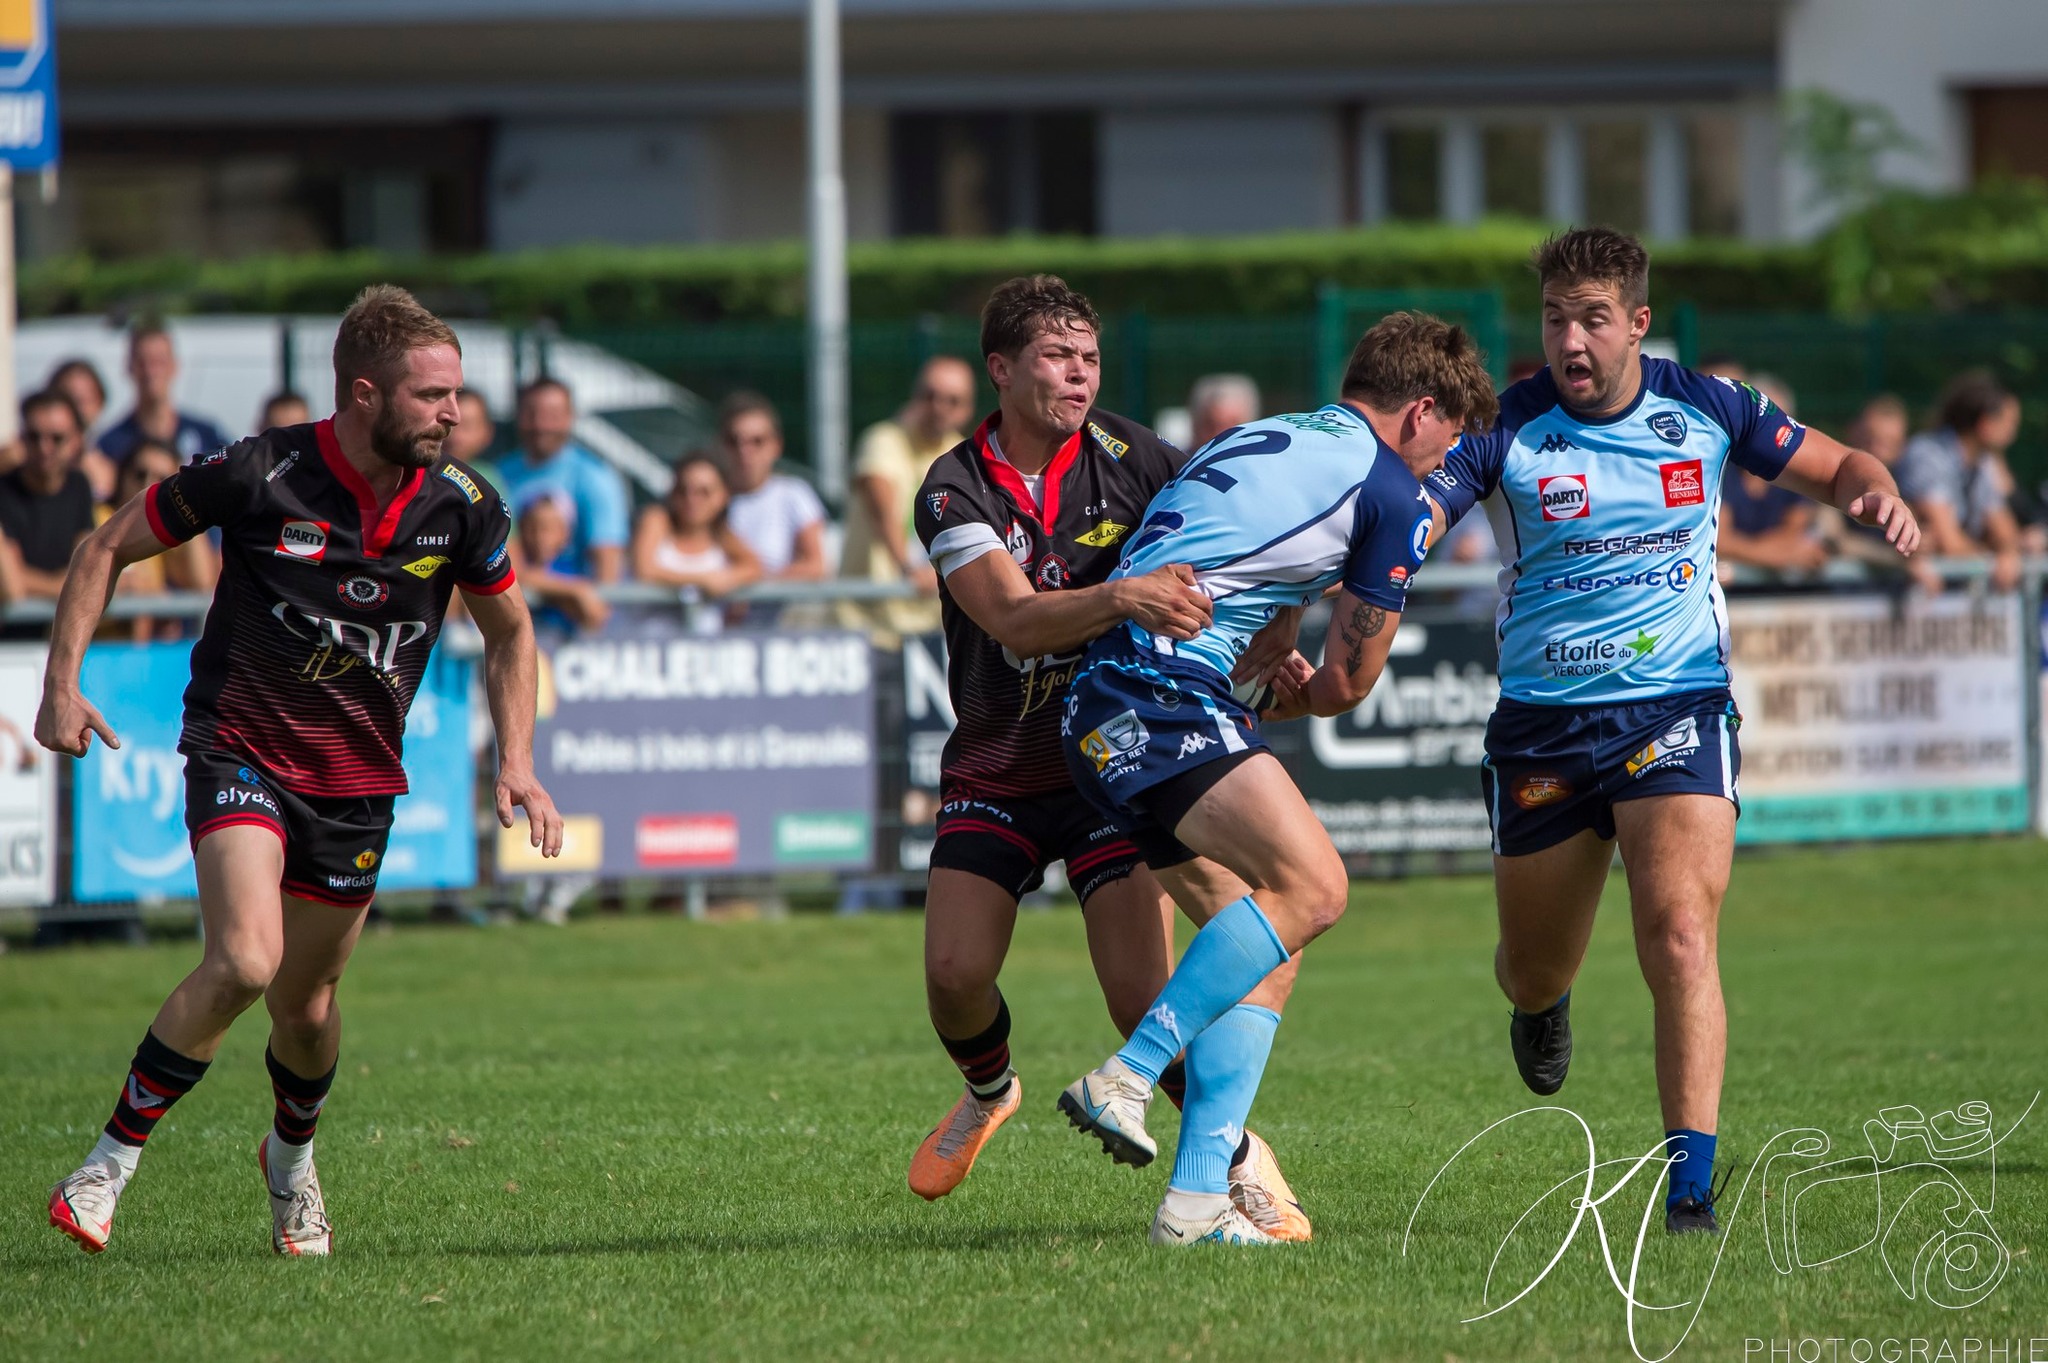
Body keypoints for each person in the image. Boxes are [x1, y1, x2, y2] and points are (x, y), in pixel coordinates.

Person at [38, 284, 563, 1258]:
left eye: (456, 395)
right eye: (432, 395)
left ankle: (291, 1163)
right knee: (245, 958)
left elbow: (510, 630)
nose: (453, 413)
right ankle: (105, 1166)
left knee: (306, 1010)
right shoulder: (259, 473)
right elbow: (107, 544)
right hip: (239, 747)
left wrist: (520, 760)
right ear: (363, 394)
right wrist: (59, 684)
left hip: (358, 784)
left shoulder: (464, 507)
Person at [1420, 228, 1920, 1235]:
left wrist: (1874, 486)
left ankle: (1688, 1187)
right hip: (1543, 732)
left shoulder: (1704, 406)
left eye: (1591, 318)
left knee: (1681, 936)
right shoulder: (1504, 428)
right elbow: (1410, 520)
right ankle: (1536, 1004)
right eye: (1554, 317)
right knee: (1533, 964)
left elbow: (1834, 462)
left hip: (1675, 707)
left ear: (1636, 324)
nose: (1569, 338)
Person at [1056, 312, 1495, 1248]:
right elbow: (1348, 683)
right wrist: (1300, 694)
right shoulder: (1389, 491)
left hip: (1101, 702)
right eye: (1442, 447)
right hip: (1162, 692)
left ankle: (1194, 1203)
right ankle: (1127, 1074)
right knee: (1318, 886)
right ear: (1421, 412)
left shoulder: (1273, 434)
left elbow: (1254, 596)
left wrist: (1267, 664)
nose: (1434, 469)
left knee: (1269, 941)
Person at [906, 274, 1310, 1242]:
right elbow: (1008, 615)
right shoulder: (952, 486)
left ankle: (1238, 1164)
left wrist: (1268, 634)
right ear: (999, 369)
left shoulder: (1136, 457)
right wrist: (1124, 597)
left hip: (1108, 762)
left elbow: (1234, 537)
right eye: (1055, 356)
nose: (1077, 373)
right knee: (955, 972)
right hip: (998, 767)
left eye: (1087, 356)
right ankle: (988, 1089)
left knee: (1145, 1000)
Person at [838, 357, 975, 636]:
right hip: (869, 622)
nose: (939, 407)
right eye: (930, 396)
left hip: (933, 624)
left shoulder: (963, 454)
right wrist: (908, 568)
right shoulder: (884, 439)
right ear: (915, 397)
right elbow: (881, 509)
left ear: (967, 409)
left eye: (952, 400)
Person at [1895, 372, 2026, 591]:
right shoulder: (1928, 456)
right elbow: (1950, 543)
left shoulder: (1983, 463)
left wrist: (2008, 552)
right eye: (2009, 422)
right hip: (1900, 595)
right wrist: (1995, 558)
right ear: (1985, 423)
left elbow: (2006, 531)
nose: (2013, 432)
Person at [491, 378, 629, 583]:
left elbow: (607, 564)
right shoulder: (499, 473)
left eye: (552, 415)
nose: (541, 425)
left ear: (570, 417)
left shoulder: (596, 476)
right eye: (531, 414)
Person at [95, 438, 220, 642]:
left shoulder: (162, 533)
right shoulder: (97, 518)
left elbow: (202, 583)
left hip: (141, 657)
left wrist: (188, 503)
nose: (148, 486)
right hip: (97, 650)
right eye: (140, 474)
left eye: (161, 480)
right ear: (122, 474)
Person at [631, 452, 762, 628]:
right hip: (649, 643)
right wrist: (702, 581)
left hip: (702, 647)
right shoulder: (657, 520)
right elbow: (646, 571)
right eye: (684, 491)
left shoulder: (723, 536)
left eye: (704, 492)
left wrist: (730, 580)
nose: (692, 500)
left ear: (723, 496)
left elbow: (754, 566)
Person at [1716, 376, 1830, 574]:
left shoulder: (1798, 472)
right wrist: (1774, 557)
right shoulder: (1723, 471)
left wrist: (1745, 550)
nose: (1769, 432)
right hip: (1735, 570)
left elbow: (1794, 532)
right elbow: (1720, 542)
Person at [0, 390, 102, 604]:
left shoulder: (79, 485)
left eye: (56, 438)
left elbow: (87, 569)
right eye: (34, 436)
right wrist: (63, 585)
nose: (44, 447)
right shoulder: (4, 490)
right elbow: (12, 584)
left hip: (57, 628)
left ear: (76, 441)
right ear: (21, 438)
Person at [720, 392, 828, 581]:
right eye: (734, 441)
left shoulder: (793, 494)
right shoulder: (705, 497)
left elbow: (816, 565)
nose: (744, 451)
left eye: (757, 441)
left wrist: (749, 585)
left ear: (776, 445)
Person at [98, 324, 232, 465]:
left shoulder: (207, 436)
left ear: (174, 366)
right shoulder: (110, 444)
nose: (150, 372)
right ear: (129, 367)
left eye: (158, 362)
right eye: (142, 363)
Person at [513, 497, 612, 635]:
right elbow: (517, 576)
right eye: (532, 527)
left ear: (566, 532)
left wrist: (552, 594)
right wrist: (574, 590)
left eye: (548, 529)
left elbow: (595, 616)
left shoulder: (574, 569)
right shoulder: (518, 561)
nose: (540, 537)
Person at [50, 358, 117, 501]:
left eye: (84, 400)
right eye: (69, 399)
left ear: (100, 402)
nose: (78, 409)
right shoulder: (25, 455)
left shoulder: (111, 457)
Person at [1187, 373, 1261, 449]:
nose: (1219, 434)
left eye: (1231, 426)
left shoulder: (1266, 459)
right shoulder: (1181, 460)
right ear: (1195, 426)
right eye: (1210, 426)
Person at [445, 389, 497, 466]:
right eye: (447, 425)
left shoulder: (488, 475)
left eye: (466, 427)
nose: (455, 437)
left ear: (487, 432)